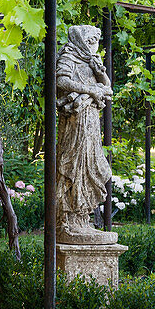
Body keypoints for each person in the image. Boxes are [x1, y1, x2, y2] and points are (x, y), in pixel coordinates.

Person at [55, 24, 117, 244]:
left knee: (93, 163)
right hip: (76, 120)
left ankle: (83, 219)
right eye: (90, 41)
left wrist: (100, 75)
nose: (94, 45)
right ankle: (68, 221)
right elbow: (61, 81)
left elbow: (107, 87)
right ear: (81, 40)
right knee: (76, 164)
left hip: (91, 120)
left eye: (96, 41)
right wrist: (91, 90)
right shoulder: (69, 55)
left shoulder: (92, 59)